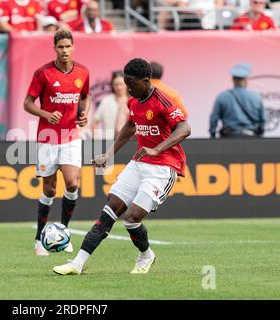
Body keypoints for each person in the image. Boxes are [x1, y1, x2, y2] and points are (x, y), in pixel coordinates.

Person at [53, 58, 191, 275]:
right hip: (139, 163)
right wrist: (109, 154)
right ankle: (77, 264)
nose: (128, 88)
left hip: (163, 167)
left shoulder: (163, 101)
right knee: (110, 209)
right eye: (126, 83)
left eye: (131, 83)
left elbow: (184, 128)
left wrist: (158, 149)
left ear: (146, 80)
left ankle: (146, 255)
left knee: (131, 219)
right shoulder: (134, 101)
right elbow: (130, 125)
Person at [23, 30, 91, 256]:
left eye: (67, 46)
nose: (64, 51)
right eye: (60, 47)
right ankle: (39, 239)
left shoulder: (83, 71)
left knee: (72, 184)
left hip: (71, 136)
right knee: (50, 189)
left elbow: (85, 96)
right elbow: (27, 103)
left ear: (73, 47)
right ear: (54, 48)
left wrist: (85, 113)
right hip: (48, 138)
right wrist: (45, 114)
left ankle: (64, 231)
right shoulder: (43, 73)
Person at [209, 63, 265, 138]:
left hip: (228, 138)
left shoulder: (222, 97)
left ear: (233, 79)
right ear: (247, 79)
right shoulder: (257, 98)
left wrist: (212, 136)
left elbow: (214, 119)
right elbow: (263, 121)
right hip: (252, 138)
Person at [92, 71, 129, 140]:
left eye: (121, 84)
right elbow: (95, 121)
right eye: (116, 84)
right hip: (109, 142)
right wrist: (96, 140)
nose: (119, 87)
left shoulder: (133, 101)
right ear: (112, 85)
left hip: (128, 142)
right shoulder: (106, 101)